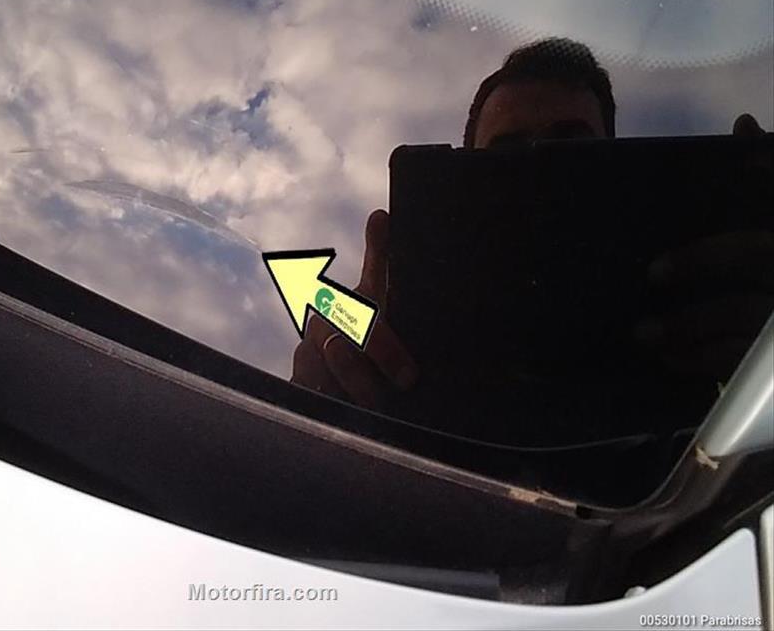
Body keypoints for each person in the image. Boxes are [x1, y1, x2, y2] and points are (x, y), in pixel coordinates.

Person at [291, 37, 772, 416]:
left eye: (574, 154)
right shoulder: (408, 351)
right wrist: (325, 394)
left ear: (620, 167)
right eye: (506, 161)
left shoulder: (704, 321)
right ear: (463, 183)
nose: (541, 178)